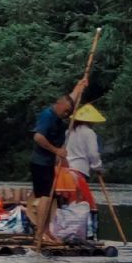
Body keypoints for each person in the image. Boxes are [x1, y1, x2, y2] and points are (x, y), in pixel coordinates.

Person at [29, 75, 89, 239]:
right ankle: (40, 233)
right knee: (45, 197)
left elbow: (70, 98)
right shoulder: (48, 116)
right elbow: (38, 137)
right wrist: (57, 151)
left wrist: (80, 86)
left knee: (50, 197)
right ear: (58, 104)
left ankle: (46, 231)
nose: (67, 114)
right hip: (40, 162)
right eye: (65, 111)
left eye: (69, 112)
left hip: (48, 163)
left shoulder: (59, 112)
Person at [65, 103, 106, 237]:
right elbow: (93, 154)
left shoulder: (68, 132)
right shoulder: (89, 133)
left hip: (65, 172)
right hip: (78, 171)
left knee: (68, 203)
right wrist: (98, 167)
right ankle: (83, 234)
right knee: (82, 203)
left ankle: (68, 231)